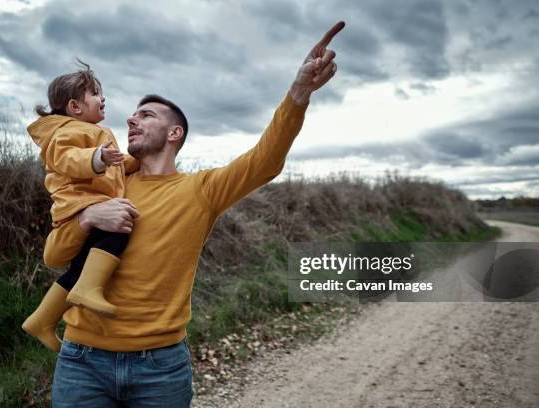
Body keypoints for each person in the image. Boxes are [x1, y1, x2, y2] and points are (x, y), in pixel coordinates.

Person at [45, 22, 345, 407]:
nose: (131, 120)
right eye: (132, 115)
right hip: (81, 361)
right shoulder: (105, 186)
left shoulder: (200, 190)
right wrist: (89, 219)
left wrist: (299, 92)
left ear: (175, 134)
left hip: (160, 367)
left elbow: (265, 161)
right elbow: (54, 256)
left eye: (146, 115)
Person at [22, 61, 139, 352]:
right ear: (75, 106)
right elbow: (67, 159)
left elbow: (117, 165)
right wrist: (96, 158)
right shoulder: (66, 132)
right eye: (96, 94)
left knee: (82, 265)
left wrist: (142, 159)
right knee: (120, 227)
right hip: (80, 203)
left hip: (91, 201)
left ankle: (43, 319)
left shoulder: (92, 132)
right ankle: (88, 289)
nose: (103, 99)